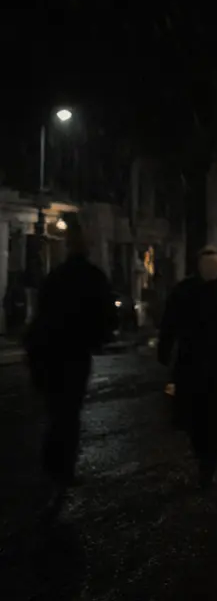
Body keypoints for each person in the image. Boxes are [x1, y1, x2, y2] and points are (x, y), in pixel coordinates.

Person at [24, 217, 114, 516]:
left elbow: (42, 315)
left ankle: (53, 467)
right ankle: (61, 469)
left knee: (56, 412)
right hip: (73, 354)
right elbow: (104, 318)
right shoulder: (93, 278)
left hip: (51, 353)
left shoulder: (57, 277)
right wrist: (98, 339)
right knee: (68, 413)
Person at [158, 246, 217, 489]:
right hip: (192, 364)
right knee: (194, 416)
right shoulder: (185, 291)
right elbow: (169, 324)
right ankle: (204, 457)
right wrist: (165, 350)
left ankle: (208, 464)